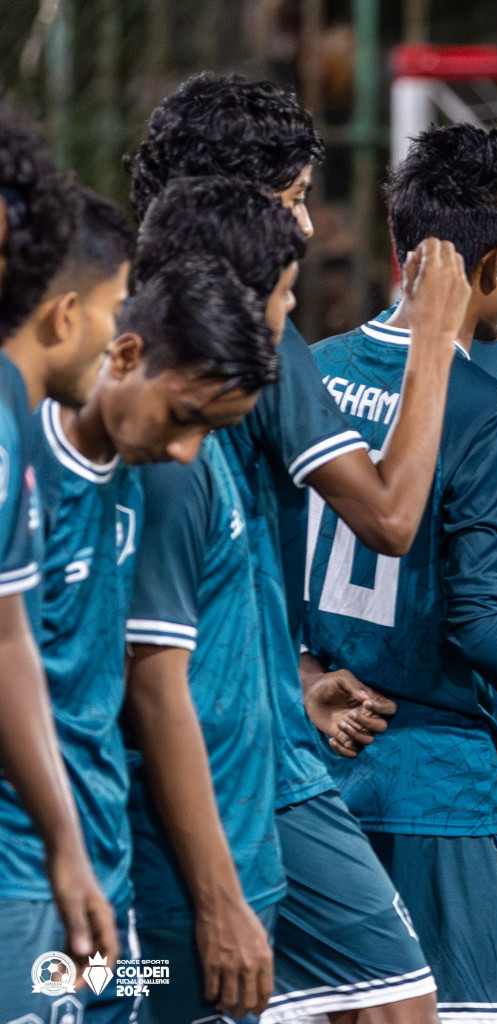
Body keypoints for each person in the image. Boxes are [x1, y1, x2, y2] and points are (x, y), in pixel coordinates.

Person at [129, 81, 470, 1018]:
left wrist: (299, 667)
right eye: (292, 199)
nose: (310, 229)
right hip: (215, 761)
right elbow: (392, 518)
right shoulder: (229, 352)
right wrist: (435, 339)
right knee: (129, 984)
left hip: (258, 741)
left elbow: (220, 572)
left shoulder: (169, 341)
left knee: (368, 1002)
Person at [303, 123, 497, 1024]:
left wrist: (303, 679)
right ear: (491, 268)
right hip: (440, 791)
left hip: (320, 777)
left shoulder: (317, 372)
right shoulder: (487, 399)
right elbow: (481, 618)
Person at [114, 255, 284, 1023]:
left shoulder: (191, 453)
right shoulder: (161, 478)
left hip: (229, 867)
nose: (185, 445)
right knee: (83, 992)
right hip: (174, 892)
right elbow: (154, 683)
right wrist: (218, 903)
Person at [0, 184, 134, 1017]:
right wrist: (63, 847)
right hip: (23, 874)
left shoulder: (18, 418)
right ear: (64, 314)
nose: (120, 338)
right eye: (115, 311)